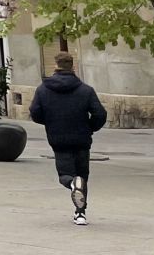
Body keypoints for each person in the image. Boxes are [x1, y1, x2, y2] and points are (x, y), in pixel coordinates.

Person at [30, 51, 107, 226]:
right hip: (81, 137)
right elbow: (100, 114)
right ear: (73, 66)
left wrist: (50, 122)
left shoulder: (43, 90)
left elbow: (35, 113)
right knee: (82, 175)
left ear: (55, 66)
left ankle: (73, 185)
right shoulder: (86, 90)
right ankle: (80, 213)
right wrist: (90, 127)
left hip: (58, 138)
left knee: (66, 174)